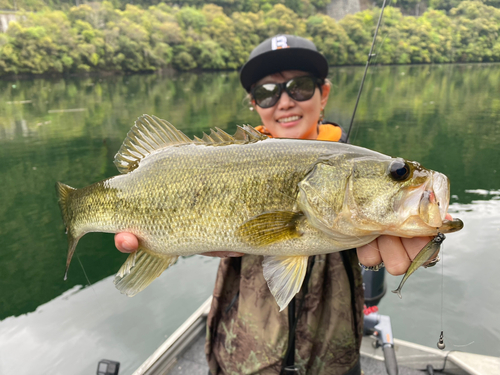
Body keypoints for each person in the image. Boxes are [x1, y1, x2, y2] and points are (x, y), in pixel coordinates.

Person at [115, 35, 446, 374]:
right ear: (253, 104)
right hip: (241, 356)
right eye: (267, 93)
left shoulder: (356, 167)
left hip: (332, 357)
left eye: (299, 87)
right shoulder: (220, 163)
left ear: (324, 94)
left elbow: (408, 222)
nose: (284, 102)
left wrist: (424, 241)